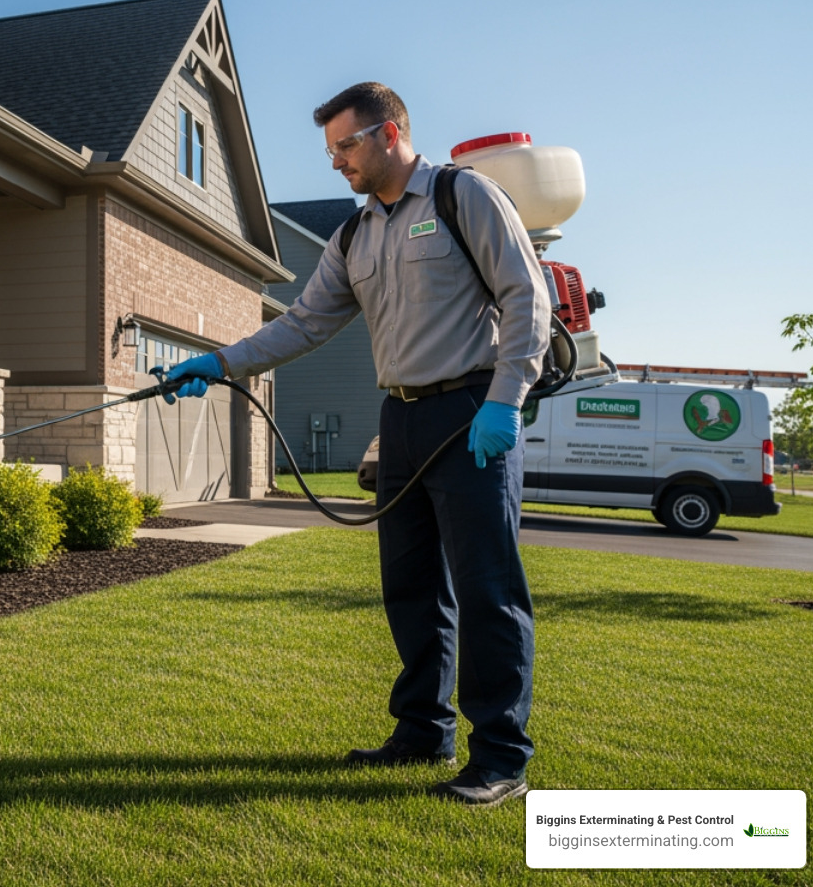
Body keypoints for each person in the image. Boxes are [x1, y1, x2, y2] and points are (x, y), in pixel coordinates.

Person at [165, 82, 549, 807]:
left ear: (390, 133)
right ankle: (422, 730)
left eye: (346, 145)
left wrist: (505, 402)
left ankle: (500, 757)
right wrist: (218, 361)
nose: (336, 161)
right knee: (410, 586)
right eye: (330, 149)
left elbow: (527, 297)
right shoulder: (353, 235)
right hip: (399, 421)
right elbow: (304, 323)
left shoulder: (464, 198)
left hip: (473, 413)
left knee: (488, 591)